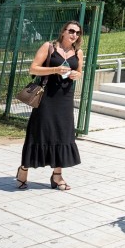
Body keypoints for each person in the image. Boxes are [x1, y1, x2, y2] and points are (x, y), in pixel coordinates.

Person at [16, 21, 83, 191]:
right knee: (39, 132)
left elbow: (80, 72)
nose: (74, 34)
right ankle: (24, 169)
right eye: (71, 31)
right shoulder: (49, 46)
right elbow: (33, 69)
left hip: (65, 98)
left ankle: (57, 175)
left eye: (77, 32)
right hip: (47, 97)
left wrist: (76, 74)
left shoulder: (78, 52)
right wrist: (55, 70)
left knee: (63, 133)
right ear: (63, 31)